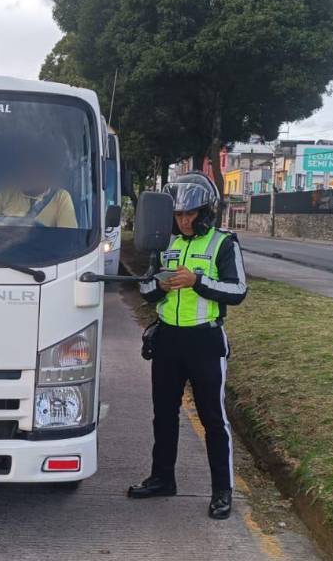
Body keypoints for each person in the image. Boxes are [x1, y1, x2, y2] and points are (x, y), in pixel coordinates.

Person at [128, 171, 248, 521]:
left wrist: (197, 281)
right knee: (163, 414)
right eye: (178, 215)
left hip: (205, 340)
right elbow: (145, 289)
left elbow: (238, 291)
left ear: (205, 212)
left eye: (190, 214)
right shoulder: (164, 243)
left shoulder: (224, 243)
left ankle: (222, 491)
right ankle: (162, 478)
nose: (183, 220)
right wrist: (161, 287)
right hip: (168, 339)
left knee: (213, 418)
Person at [0, 138, 77, 228]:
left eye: (32, 166)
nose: (25, 171)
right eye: (23, 165)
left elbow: (68, 239)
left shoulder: (60, 198)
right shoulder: (3, 194)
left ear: (45, 170)